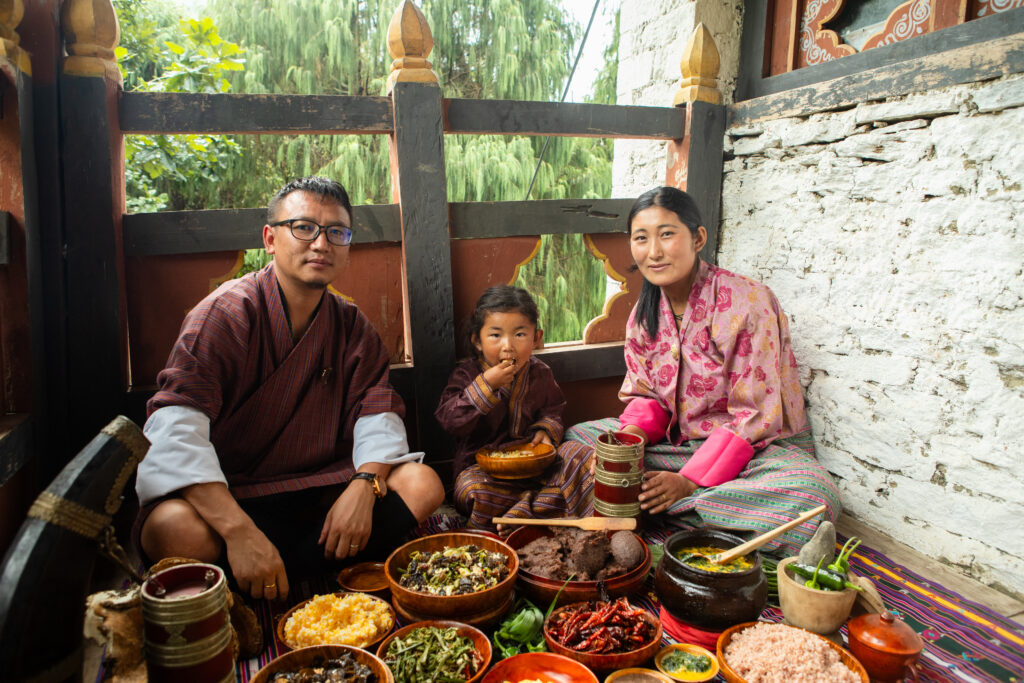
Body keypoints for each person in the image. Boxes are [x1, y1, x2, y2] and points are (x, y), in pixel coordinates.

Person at [135, 176, 444, 601]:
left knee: (422, 483)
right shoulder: (224, 315)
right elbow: (175, 432)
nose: (321, 244)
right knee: (171, 528)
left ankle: (265, 578)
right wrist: (239, 531)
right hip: (233, 495)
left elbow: (377, 415)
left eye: (336, 232)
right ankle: (305, 565)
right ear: (270, 238)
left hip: (319, 490)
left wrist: (363, 486)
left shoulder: (351, 326)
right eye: (303, 228)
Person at [565, 187, 840, 555]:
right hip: (677, 446)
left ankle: (656, 508)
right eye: (641, 238)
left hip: (752, 455)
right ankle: (707, 517)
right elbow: (646, 396)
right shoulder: (643, 317)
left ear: (697, 238)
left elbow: (756, 417)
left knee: (814, 497)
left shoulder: (747, 302)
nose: (654, 251)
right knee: (579, 441)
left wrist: (688, 482)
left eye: (666, 234)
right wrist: (626, 443)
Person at [436, 285, 594, 531]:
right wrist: (486, 385)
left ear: (536, 338)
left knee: (580, 455)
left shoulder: (540, 372)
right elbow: (449, 420)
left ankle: (520, 514)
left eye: (519, 334)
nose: (508, 345)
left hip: (537, 469)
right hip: (486, 474)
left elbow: (553, 409)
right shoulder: (466, 375)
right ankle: (539, 512)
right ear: (477, 341)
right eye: (495, 335)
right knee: (472, 490)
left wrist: (545, 430)